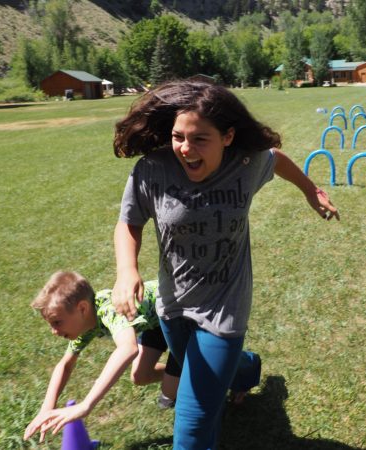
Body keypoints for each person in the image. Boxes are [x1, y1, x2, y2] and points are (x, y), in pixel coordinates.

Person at [111, 80, 339, 449]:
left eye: (200, 139)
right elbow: (129, 222)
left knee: (194, 420)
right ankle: (246, 367)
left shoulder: (245, 165)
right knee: (211, 370)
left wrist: (311, 191)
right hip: (174, 306)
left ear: (228, 137)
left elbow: (275, 158)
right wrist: (127, 270)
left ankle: (229, 371)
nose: (186, 149)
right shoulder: (152, 170)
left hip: (225, 308)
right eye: (178, 137)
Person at [23, 272, 182, 443]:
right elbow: (65, 365)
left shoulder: (109, 309)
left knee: (170, 390)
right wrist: (47, 408)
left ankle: (194, 379)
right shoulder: (86, 320)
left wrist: (86, 405)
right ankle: (183, 375)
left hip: (179, 313)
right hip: (155, 319)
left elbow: (128, 348)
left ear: (82, 308)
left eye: (57, 322)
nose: (53, 331)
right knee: (140, 376)